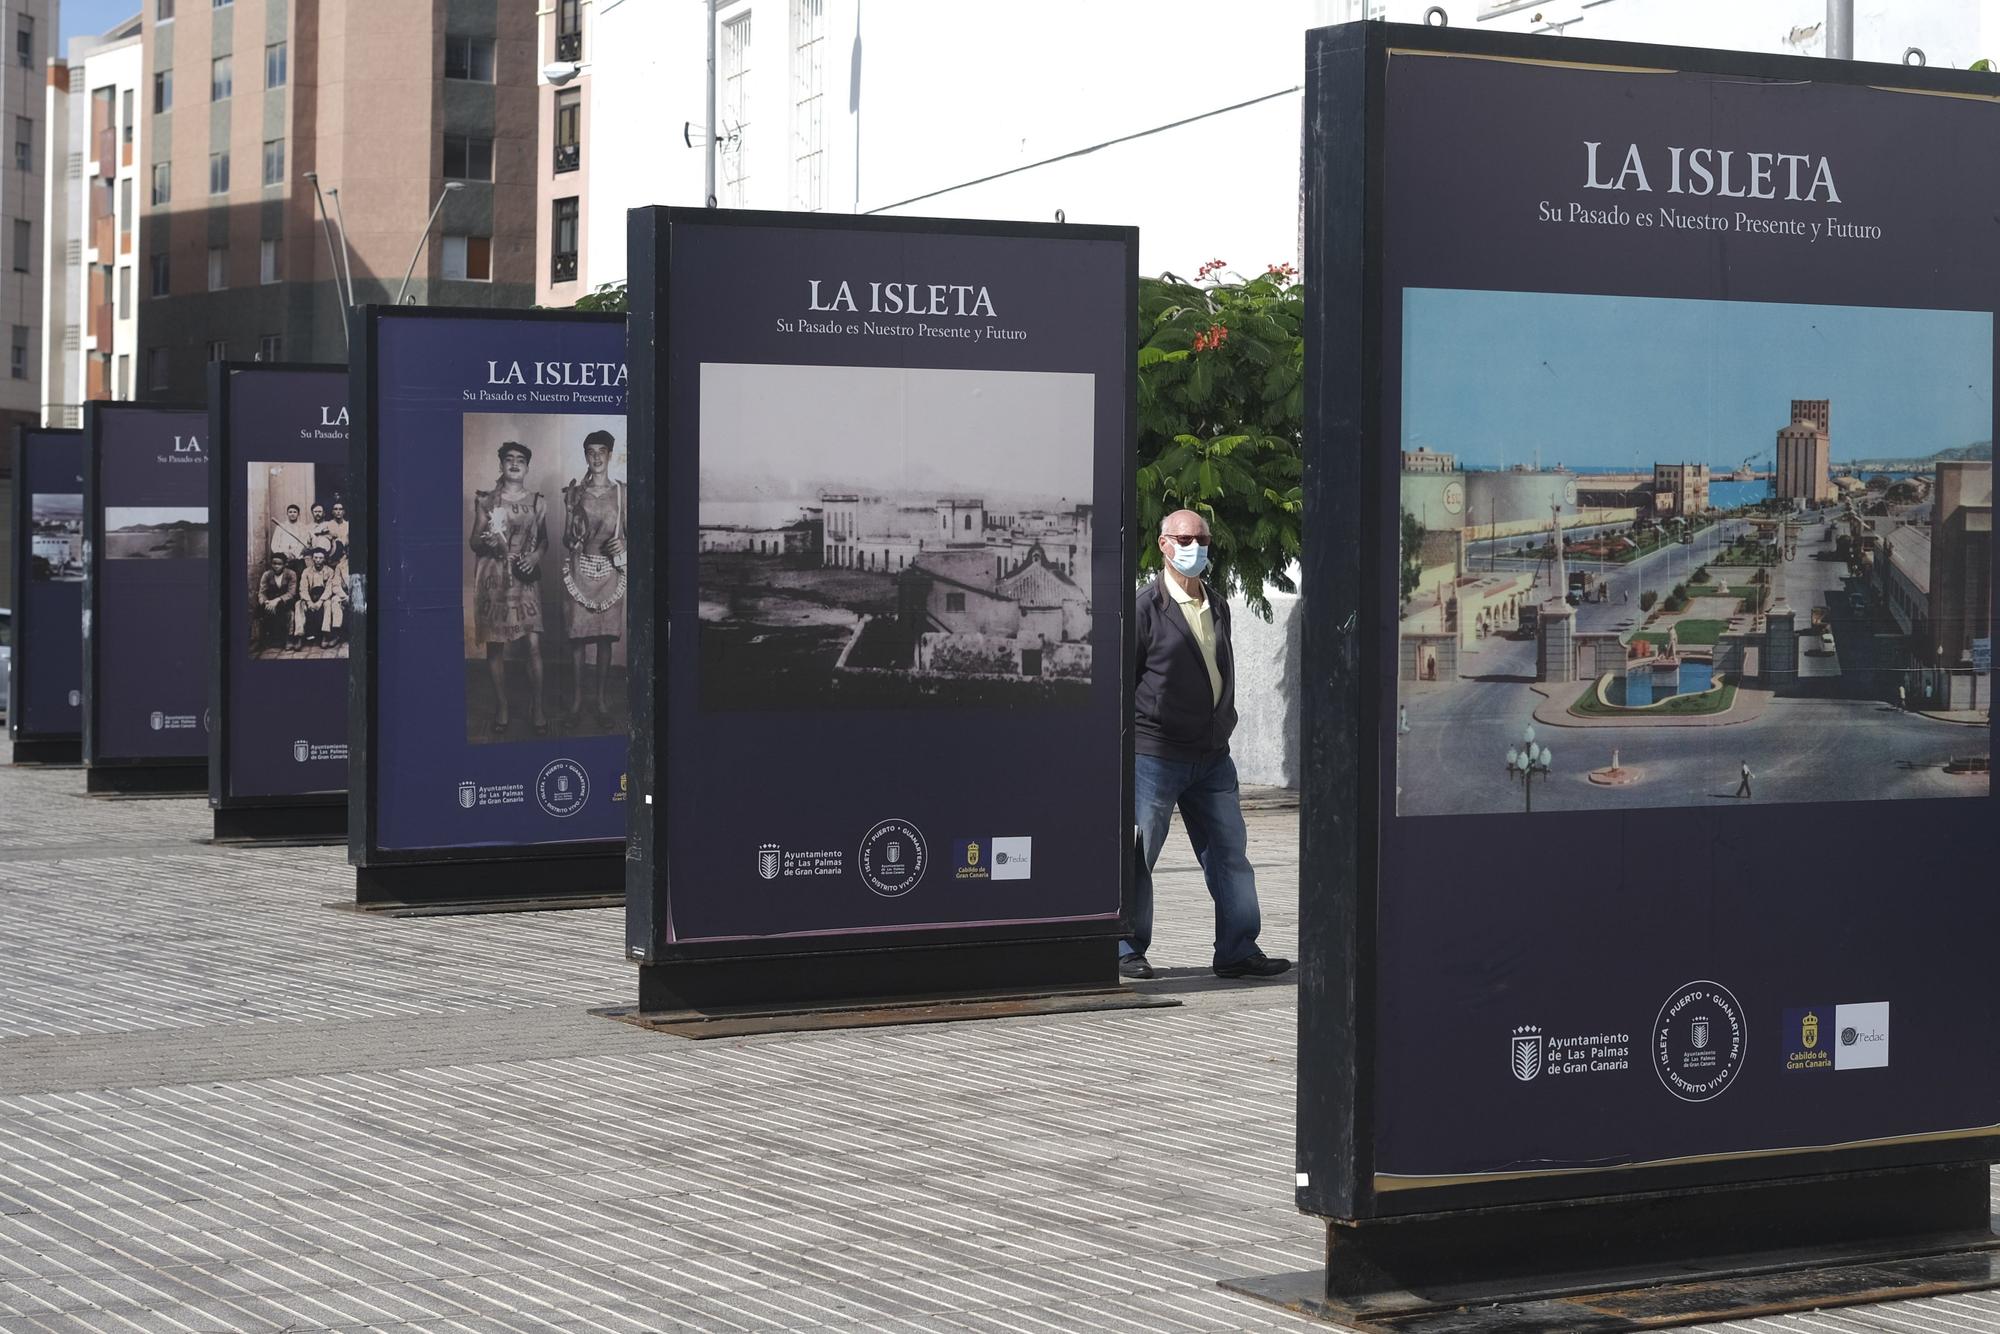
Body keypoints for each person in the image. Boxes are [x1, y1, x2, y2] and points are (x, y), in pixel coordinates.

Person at [1121, 508, 1291, 982]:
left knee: (1230, 853)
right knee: (1139, 853)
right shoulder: (1143, 608)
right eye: (1184, 537)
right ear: (1163, 545)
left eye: (1202, 539)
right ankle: (1125, 947)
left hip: (1213, 756)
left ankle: (1238, 950)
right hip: (1155, 755)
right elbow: (1124, 683)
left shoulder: (1218, 604)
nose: (1194, 546)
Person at [470, 441, 549, 735]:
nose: (514, 463)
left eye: (520, 460)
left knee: (533, 644)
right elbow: (474, 542)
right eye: (509, 459)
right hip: (493, 576)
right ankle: (502, 705)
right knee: (495, 643)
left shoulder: (538, 501)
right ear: (501, 464)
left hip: (524, 574)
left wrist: (535, 556)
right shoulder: (487, 501)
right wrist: (486, 543)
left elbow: (544, 540)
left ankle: (537, 706)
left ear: (527, 467)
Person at [560, 430, 627, 726]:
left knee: (603, 638)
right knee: (577, 638)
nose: (597, 457)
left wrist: (625, 545)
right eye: (590, 451)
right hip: (580, 570)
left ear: (610, 455)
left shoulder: (624, 493)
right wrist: (573, 539)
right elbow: (565, 538)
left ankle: (600, 700)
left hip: (610, 572)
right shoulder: (575, 493)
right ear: (585, 456)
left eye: (602, 451)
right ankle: (576, 699)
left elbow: (638, 534)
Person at [294, 547, 345, 647]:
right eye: (316, 557)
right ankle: (299, 636)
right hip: (309, 598)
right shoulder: (306, 571)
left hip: (323, 599)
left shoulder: (330, 571)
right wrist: (309, 602)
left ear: (324, 559)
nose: (318, 560)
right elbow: (303, 588)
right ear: (312, 558)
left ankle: (326, 635)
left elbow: (329, 589)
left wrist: (320, 601)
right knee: (298, 604)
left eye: (321, 558)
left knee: (328, 604)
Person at [255, 551, 298, 653]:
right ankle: (259, 640)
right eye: (274, 563)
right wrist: (265, 602)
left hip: (286, 601)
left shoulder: (291, 574)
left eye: (279, 564)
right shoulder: (267, 574)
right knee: (258, 611)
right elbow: (262, 592)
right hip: (270, 602)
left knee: (289, 613)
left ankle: (289, 639)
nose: (276, 566)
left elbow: (291, 592)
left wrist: (278, 600)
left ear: (284, 564)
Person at [271, 504, 308, 573]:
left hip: (297, 558)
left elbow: (303, 543)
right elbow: (274, 545)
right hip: (283, 559)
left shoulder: (303, 527)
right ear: (287, 514)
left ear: (298, 514)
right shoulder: (280, 527)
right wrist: (284, 554)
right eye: (290, 512)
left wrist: (294, 555)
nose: (292, 514)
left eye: (295, 512)